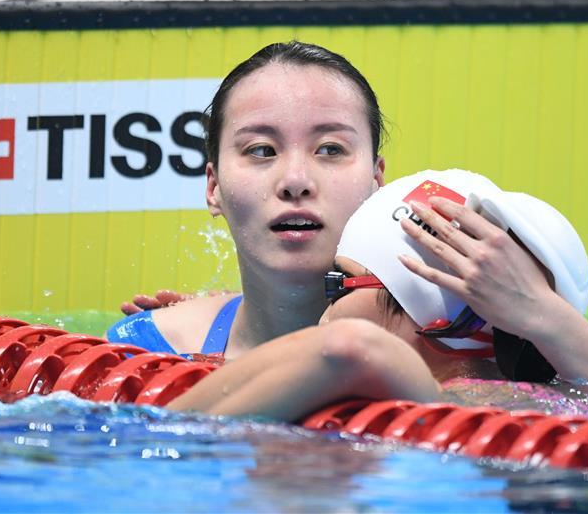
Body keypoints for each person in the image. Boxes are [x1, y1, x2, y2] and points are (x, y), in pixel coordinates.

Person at [168, 170, 588, 421]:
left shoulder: (388, 365)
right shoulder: (558, 405)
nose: (323, 304)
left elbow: (352, 347)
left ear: (435, 322)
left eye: (335, 283)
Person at [106, 41, 386, 359]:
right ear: (214, 187)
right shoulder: (141, 352)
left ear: (377, 183)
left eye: (330, 149)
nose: (295, 181)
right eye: (261, 150)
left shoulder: (444, 350)